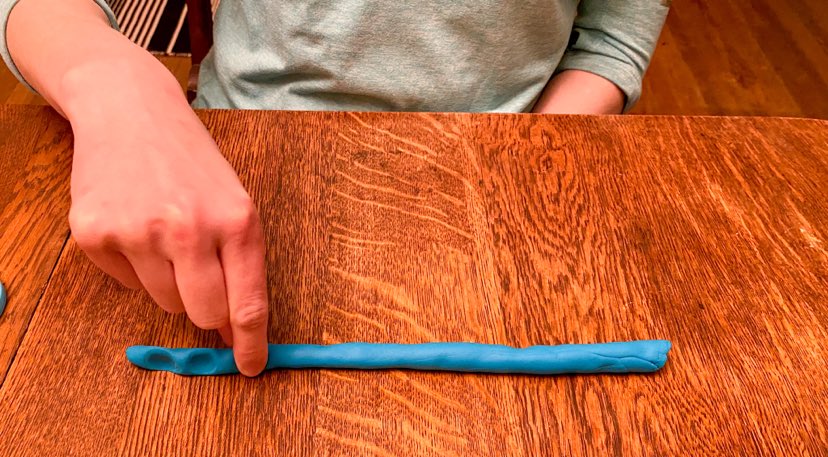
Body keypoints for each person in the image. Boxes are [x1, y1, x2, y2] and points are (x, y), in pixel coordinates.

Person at [0, 0, 669, 376]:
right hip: (225, 164)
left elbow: (616, 27)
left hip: (514, 166)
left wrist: (521, 158)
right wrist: (114, 83)